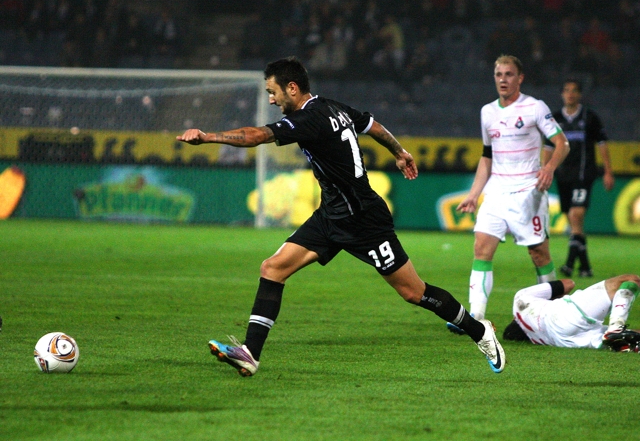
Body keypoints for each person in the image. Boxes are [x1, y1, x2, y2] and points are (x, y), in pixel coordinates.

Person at [176, 56, 506, 376]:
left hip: (364, 220)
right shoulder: (333, 107)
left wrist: (208, 137)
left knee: (413, 292)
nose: (272, 100)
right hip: (331, 217)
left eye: (273, 92)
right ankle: (250, 353)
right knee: (273, 268)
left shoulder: (308, 119)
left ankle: (479, 331)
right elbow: (372, 125)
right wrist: (399, 151)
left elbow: (257, 135)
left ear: (292, 88)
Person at [450, 54, 570, 332]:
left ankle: (556, 313)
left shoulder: (535, 107)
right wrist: (473, 193)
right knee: (481, 247)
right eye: (499, 75)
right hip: (496, 192)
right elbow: (486, 156)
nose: (503, 79)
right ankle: (475, 318)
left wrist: (549, 167)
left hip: (529, 191)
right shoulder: (487, 112)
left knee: (539, 254)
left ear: (520, 78)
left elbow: (562, 143)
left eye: (509, 74)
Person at [545, 78, 615, 278]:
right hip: (563, 176)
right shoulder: (555, 119)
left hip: (584, 175)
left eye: (574, 90)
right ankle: (585, 267)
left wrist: (608, 172)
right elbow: (548, 147)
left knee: (576, 216)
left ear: (579, 94)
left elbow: (602, 145)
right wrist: (545, 170)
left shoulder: (590, 117)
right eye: (566, 90)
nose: (570, 94)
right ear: (562, 94)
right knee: (574, 223)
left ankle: (568, 264)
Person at [503, 274, 640, 352]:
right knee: (631, 280)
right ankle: (616, 327)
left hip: (567, 340)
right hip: (564, 315)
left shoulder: (535, 339)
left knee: (631, 339)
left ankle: (615, 333)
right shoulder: (520, 300)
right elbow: (568, 284)